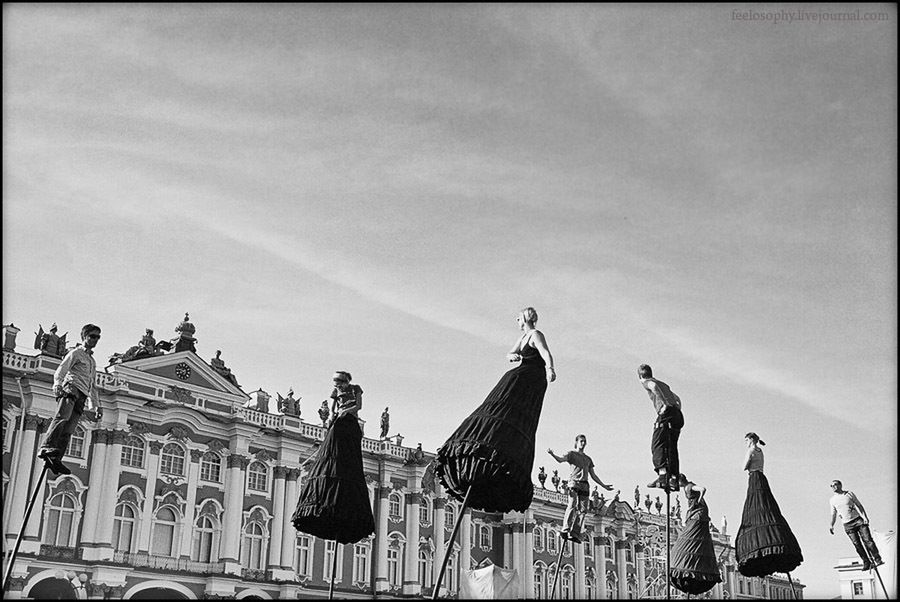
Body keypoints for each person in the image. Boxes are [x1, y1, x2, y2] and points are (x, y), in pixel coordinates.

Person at [435, 307, 556, 513]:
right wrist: (513, 357)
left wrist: (550, 368)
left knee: (512, 391)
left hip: (533, 377)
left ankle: (503, 432)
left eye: (518, 318)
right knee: (506, 389)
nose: (517, 321)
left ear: (525, 318)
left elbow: (545, 352)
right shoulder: (524, 337)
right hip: (523, 372)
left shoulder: (535, 334)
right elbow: (510, 352)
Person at [292, 371, 375, 544]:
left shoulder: (356, 389)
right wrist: (332, 416)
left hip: (350, 422)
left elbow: (358, 406)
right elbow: (332, 407)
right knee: (331, 453)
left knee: (345, 454)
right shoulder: (336, 391)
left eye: (339, 382)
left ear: (346, 381)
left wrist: (345, 412)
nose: (337, 385)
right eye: (335, 382)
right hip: (338, 422)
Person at [735, 433, 803, 577]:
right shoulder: (761, 451)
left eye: (746, 440)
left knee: (754, 506)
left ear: (751, 440)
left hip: (754, 477)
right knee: (767, 506)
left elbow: (744, 467)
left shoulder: (751, 451)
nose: (745, 443)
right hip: (762, 477)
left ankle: (760, 545)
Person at [38, 324, 103, 475]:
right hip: (71, 389)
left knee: (69, 429)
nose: (96, 340)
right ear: (84, 336)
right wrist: (57, 384)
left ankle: (56, 459)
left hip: (83, 395)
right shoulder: (76, 353)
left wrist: (96, 406)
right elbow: (62, 368)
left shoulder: (92, 361)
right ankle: (46, 447)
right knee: (62, 418)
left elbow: (93, 384)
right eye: (93, 336)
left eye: (98, 337)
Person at [547, 434, 613, 542]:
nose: (583, 443)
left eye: (584, 441)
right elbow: (560, 460)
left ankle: (575, 532)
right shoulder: (571, 454)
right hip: (574, 483)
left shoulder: (588, 459)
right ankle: (566, 528)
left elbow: (593, 475)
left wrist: (603, 485)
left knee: (583, 510)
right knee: (572, 505)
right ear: (576, 442)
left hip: (585, 485)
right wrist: (552, 454)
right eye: (581, 441)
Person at [669, 474, 723, 595]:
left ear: (679, 481)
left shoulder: (689, 486)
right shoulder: (685, 487)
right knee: (691, 535)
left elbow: (703, 489)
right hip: (696, 513)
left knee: (690, 534)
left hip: (699, 513)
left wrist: (699, 500)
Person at [637, 364, 684, 491]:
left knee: (657, 443)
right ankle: (674, 478)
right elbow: (678, 398)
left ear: (641, 376)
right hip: (677, 416)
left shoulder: (647, 382)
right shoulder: (664, 384)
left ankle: (662, 475)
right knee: (671, 447)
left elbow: (653, 387)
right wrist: (676, 409)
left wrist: (664, 405)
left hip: (667, 413)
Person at [829, 480, 884, 570]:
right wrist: (831, 525)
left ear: (840, 485)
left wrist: (865, 517)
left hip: (858, 520)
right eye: (831, 486)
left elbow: (859, 505)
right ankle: (866, 562)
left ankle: (877, 559)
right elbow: (833, 514)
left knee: (868, 540)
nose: (833, 487)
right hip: (847, 525)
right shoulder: (832, 500)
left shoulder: (849, 494)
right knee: (857, 545)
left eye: (835, 484)